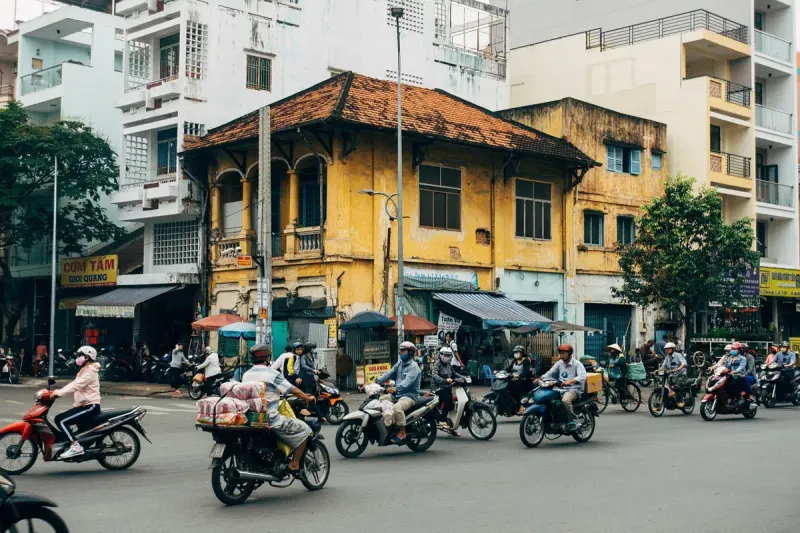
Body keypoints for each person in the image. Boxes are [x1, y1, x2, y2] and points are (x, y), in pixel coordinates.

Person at [242, 344, 317, 473]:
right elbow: (292, 389)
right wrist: (307, 397)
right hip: (269, 419)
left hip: (249, 418)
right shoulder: (272, 374)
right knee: (305, 430)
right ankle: (294, 464)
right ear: (268, 357)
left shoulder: (246, 375)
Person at [52, 346, 102, 459]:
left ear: (87, 357)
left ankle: (76, 447)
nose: (78, 358)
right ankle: (74, 444)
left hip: (90, 406)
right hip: (83, 405)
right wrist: (56, 392)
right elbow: (74, 384)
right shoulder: (85, 370)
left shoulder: (90, 371)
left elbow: (76, 385)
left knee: (61, 420)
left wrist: (58, 393)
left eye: (80, 355)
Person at [376, 341, 421, 444]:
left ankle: (402, 432)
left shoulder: (414, 367)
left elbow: (407, 381)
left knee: (397, 408)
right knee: (380, 400)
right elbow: (390, 373)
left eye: (403, 350)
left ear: (410, 352)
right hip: (397, 394)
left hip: (409, 396)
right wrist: (376, 381)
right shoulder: (400, 364)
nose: (401, 352)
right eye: (400, 350)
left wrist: (396, 388)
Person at [536, 344, 586, 426]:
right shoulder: (559, 363)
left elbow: (582, 376)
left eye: (563, 353)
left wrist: (570, 381)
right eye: (560, 353)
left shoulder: (577, 364)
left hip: (574, 389)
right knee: (547, 398)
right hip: (560, 389)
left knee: (565, 400)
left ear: (569, 353)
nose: (561, 355)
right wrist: (540, 378)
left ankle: (572, 421)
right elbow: (550, 372)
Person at [431, 346, 457, 433]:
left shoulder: (448, 364)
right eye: (444, 355)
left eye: (448, 355)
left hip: (446, 389)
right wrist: (444, 380)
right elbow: (434, 375)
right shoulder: (437, 363)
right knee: (448, 399)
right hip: (437, 389)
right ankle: (442, 420)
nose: (446, 357)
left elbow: (454, 373)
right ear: (440, 354)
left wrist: (464, 377)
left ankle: (449, 423)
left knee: (453, 402)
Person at [505, 345, 533, 414]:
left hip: (525, 381)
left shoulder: (526, 361)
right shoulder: (515, 360)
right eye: (515, 352)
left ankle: (521, 406)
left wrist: (519, 375)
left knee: (514, 388)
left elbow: (525, 372)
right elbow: (508, 369)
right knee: (506, 386)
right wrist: (500, 372)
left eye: (518, 352)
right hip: (515, 380)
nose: (516, 353)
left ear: (522, 353)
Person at [660, 342, 687, 408]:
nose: (666, 350)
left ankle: (680, 400)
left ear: (672, 349)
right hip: (672, 376)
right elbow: (663, 366)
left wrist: (678, 368)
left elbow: (684, 363)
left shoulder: (678, 355)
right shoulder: (667, 358)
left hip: (681, 375)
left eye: (668, 349)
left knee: (677, 387)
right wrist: (657, 371)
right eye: (666, 349)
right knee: (667, 388)